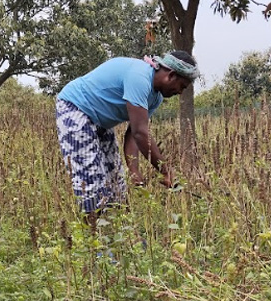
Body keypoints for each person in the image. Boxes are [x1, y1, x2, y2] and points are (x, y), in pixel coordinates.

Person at [55, 50, 199, 224]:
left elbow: (133, 133)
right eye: (182, 86)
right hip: (76, 108)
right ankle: (94, 243)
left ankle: (118, 235)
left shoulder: (155, 97)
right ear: (171, 75)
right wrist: (165, 171)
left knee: (116, 181)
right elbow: (141, 133)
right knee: (90, 180)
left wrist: (134, 171)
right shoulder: (140, 78)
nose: (180, 92)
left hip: (101, 121)